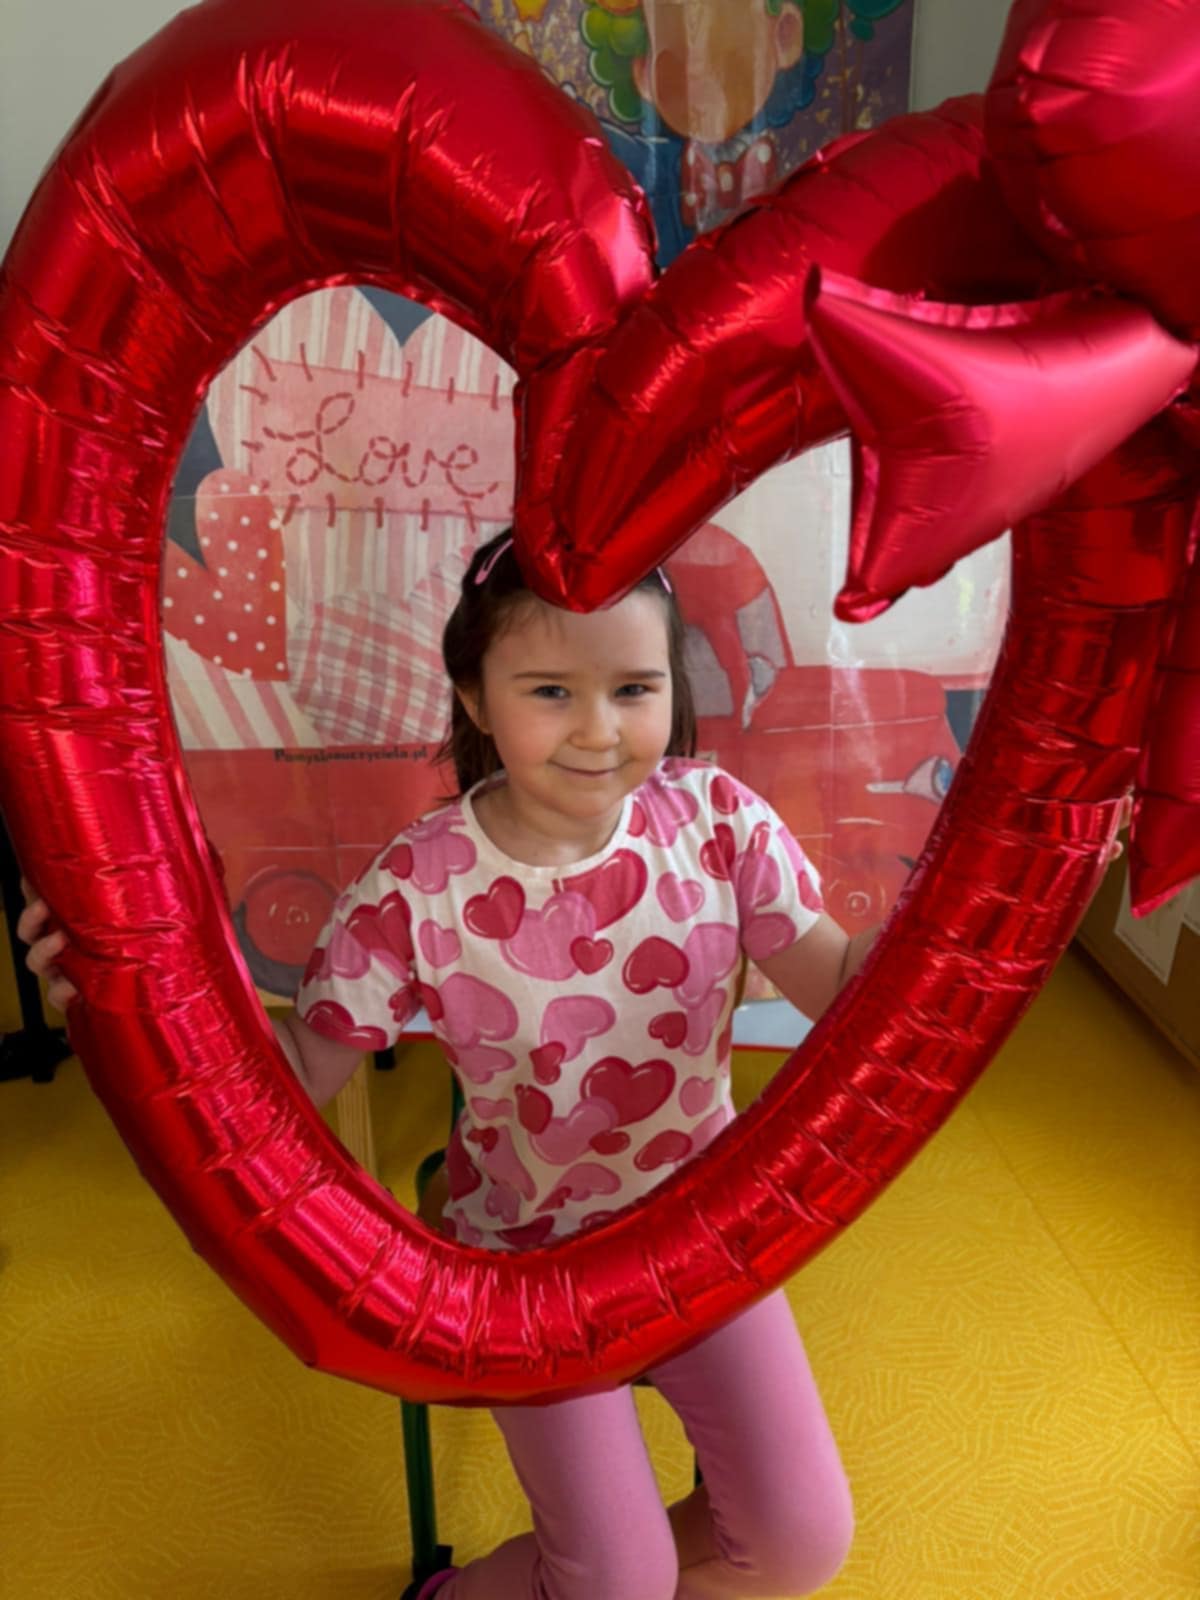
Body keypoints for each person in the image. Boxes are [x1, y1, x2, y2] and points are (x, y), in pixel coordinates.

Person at [22, 525, 888, 1599]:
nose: (599, 730)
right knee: (616, 1581)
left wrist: (957, 926)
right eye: (551, 692)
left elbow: (838, 983)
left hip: (701, 1232)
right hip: (526, 1266)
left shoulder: (718, 823)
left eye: (633, 688)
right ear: (476, 698)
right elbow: (294, 1072)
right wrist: (128, 990)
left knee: (801, 1543)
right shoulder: (417, 885)